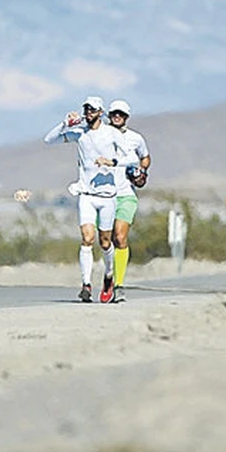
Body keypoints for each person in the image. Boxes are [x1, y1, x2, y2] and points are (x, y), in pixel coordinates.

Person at [44, 96, 134, 303]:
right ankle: (86, 285)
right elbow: (49, 140)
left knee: (105, 241)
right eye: (86, 109)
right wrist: (64, 124)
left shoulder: (111, 133)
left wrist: (113, 161)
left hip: (108, 196)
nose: (88, 113)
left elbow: (132, 157)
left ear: (101, 112)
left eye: (92, 110)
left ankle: (109, 275)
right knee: (87, 238)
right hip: (86, 194)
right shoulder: (80, 134)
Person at [106, 99, 151, 303]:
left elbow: (146, 157)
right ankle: (108, 274)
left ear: (126, 117)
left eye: (121, 114)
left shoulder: (136, 138)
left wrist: (142, 173)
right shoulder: (100, 136)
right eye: (114, 113)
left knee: (120, 238)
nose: (117, 117)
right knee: (105, 240)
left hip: (126, 195)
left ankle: (119, 285)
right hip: (103, 194)